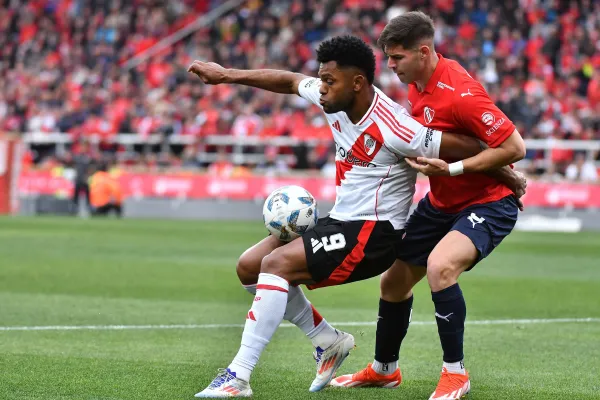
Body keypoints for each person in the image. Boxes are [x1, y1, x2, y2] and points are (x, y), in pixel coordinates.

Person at [188, 35, 523, 398]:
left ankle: (238, 376)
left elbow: (472, 145)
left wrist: (510, 177)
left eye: (330, 82)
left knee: (276, 265)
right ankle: (328, 341)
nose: (322, 90)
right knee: (250, 266)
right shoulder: (333, 98)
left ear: (358, 83)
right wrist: (227, 76)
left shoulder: (398, 127)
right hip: (342, 220)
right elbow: (288, 80)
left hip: (373, 233)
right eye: (322, 81)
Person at [330, 12, 526, 400]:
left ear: (423, 52)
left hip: (488, 203)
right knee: (394, 281)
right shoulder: (418, 85)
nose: (390, 66)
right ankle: (385, 370)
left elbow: (514, 147)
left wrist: (453, 169)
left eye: (397, 57)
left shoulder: (461, 93)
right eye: (388, 57)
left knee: (440, 267)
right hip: (441, 203)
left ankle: (456, 373)